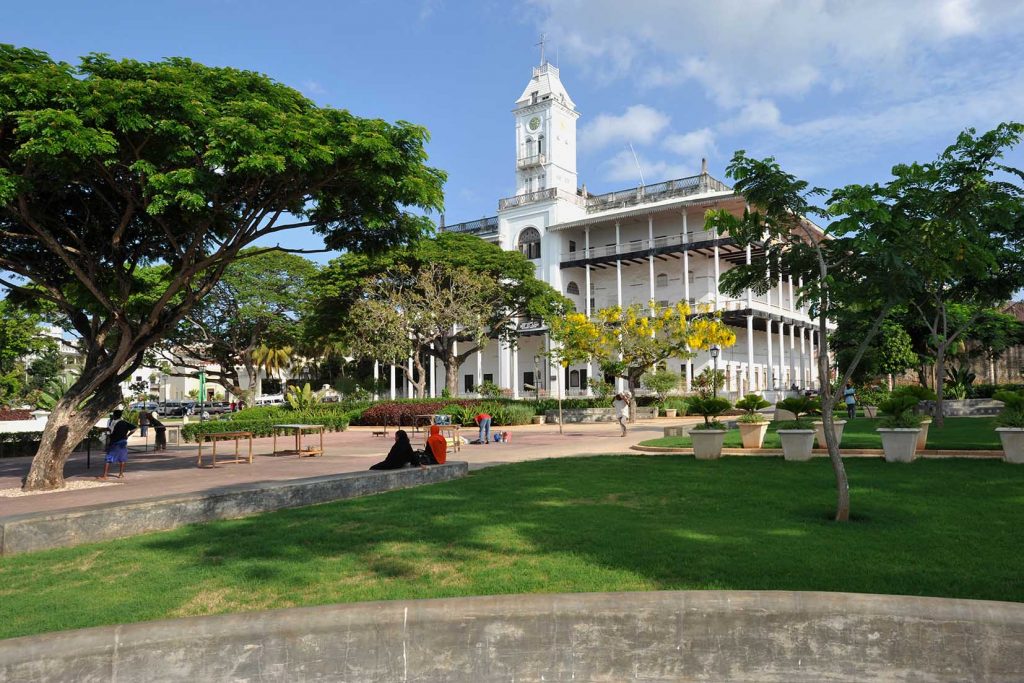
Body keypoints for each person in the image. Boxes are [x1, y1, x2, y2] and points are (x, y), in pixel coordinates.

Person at [99, 410, 135, 479]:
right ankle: (121, 474)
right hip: (123, 441)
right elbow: (134, 428)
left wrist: (101, 430)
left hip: (114, 442)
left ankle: (105, 475)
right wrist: (128, 435)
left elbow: (110, 430)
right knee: (122, 458)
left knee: (108, 458)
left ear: (114, 415)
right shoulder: (124, 422)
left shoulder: (114, 422)